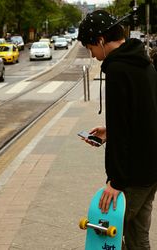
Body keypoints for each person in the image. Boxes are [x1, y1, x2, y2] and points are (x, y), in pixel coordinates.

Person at [77, 10, 157, 250]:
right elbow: (144, 116)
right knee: (137, 236)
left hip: (132, 175)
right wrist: (109, 132)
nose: (92, 55)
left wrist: (116, 181)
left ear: (101, 40)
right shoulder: (143, 62)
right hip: (151, 169)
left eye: (91, 48)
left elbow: (124, 127)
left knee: (107, 233)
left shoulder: (117, 69)